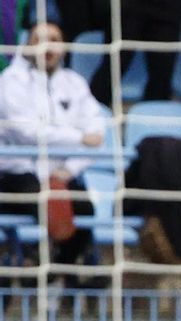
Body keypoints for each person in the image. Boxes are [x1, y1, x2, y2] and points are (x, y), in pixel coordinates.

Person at [0, 21, 105, 277]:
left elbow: (98, 133)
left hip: (62, 174)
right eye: (40, 39)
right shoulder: (9, 83)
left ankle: (59, 276)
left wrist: (68, 169)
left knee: (85, 210)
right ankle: (32, 265)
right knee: (50, 208)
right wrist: (78, 138)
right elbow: (27, 134)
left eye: (55, 40)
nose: (48, 47)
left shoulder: (75, 83)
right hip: (17, 175)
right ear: (28, 45)